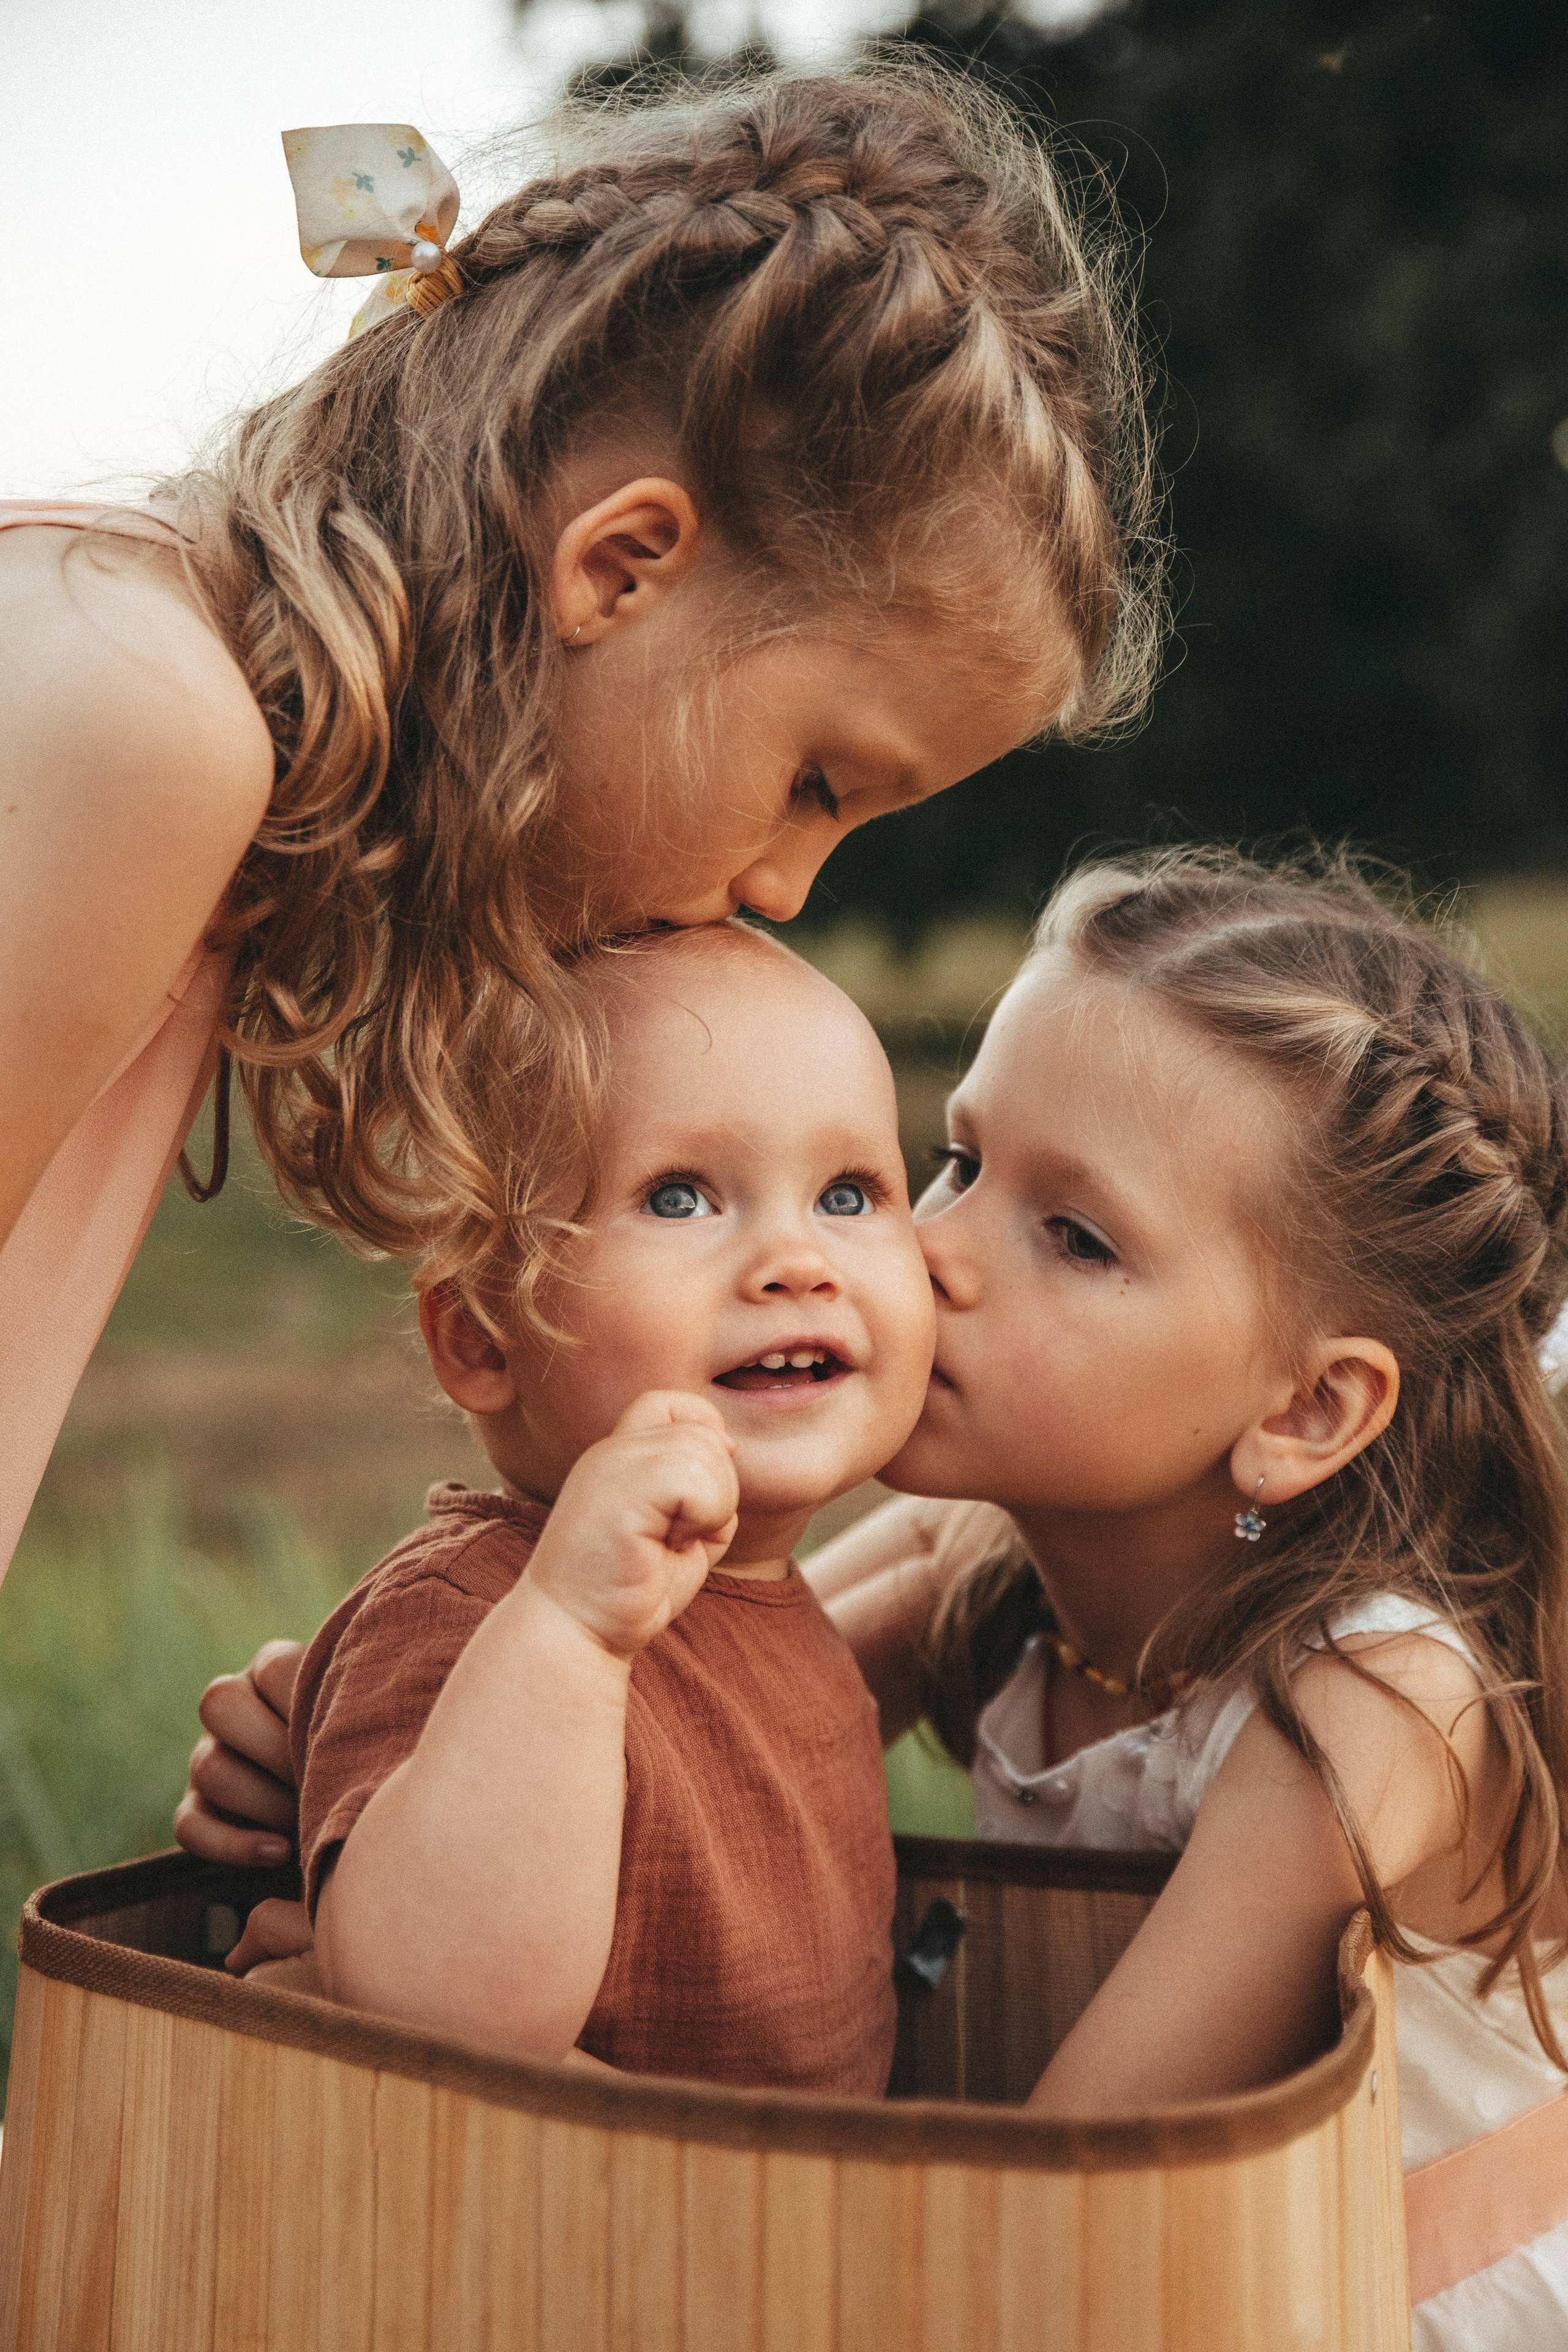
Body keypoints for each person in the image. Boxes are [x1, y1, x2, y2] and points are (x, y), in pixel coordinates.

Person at [0, 59, 1159, 1581]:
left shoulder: (176, 722)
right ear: (621, 569)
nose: (787, 887)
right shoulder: (141, 717)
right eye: (819, 781)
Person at [810, 848, 1568, 2349]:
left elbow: (1064, 2207)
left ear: (1303, 1410)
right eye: (958, 1161)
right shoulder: (972, 1566)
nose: (927, 1252)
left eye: (1074, 1237)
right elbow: (668, 1750)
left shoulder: (1366, 1708)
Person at [291, 920, 933, 2086]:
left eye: (849, 1192)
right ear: (483, 1334)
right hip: (580, 2254)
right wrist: (573, 1629)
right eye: (681, 1198)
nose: (798, 1259)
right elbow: (440, 2020)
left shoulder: (781, 1607)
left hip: (793, 2242)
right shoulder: (482, 1610)